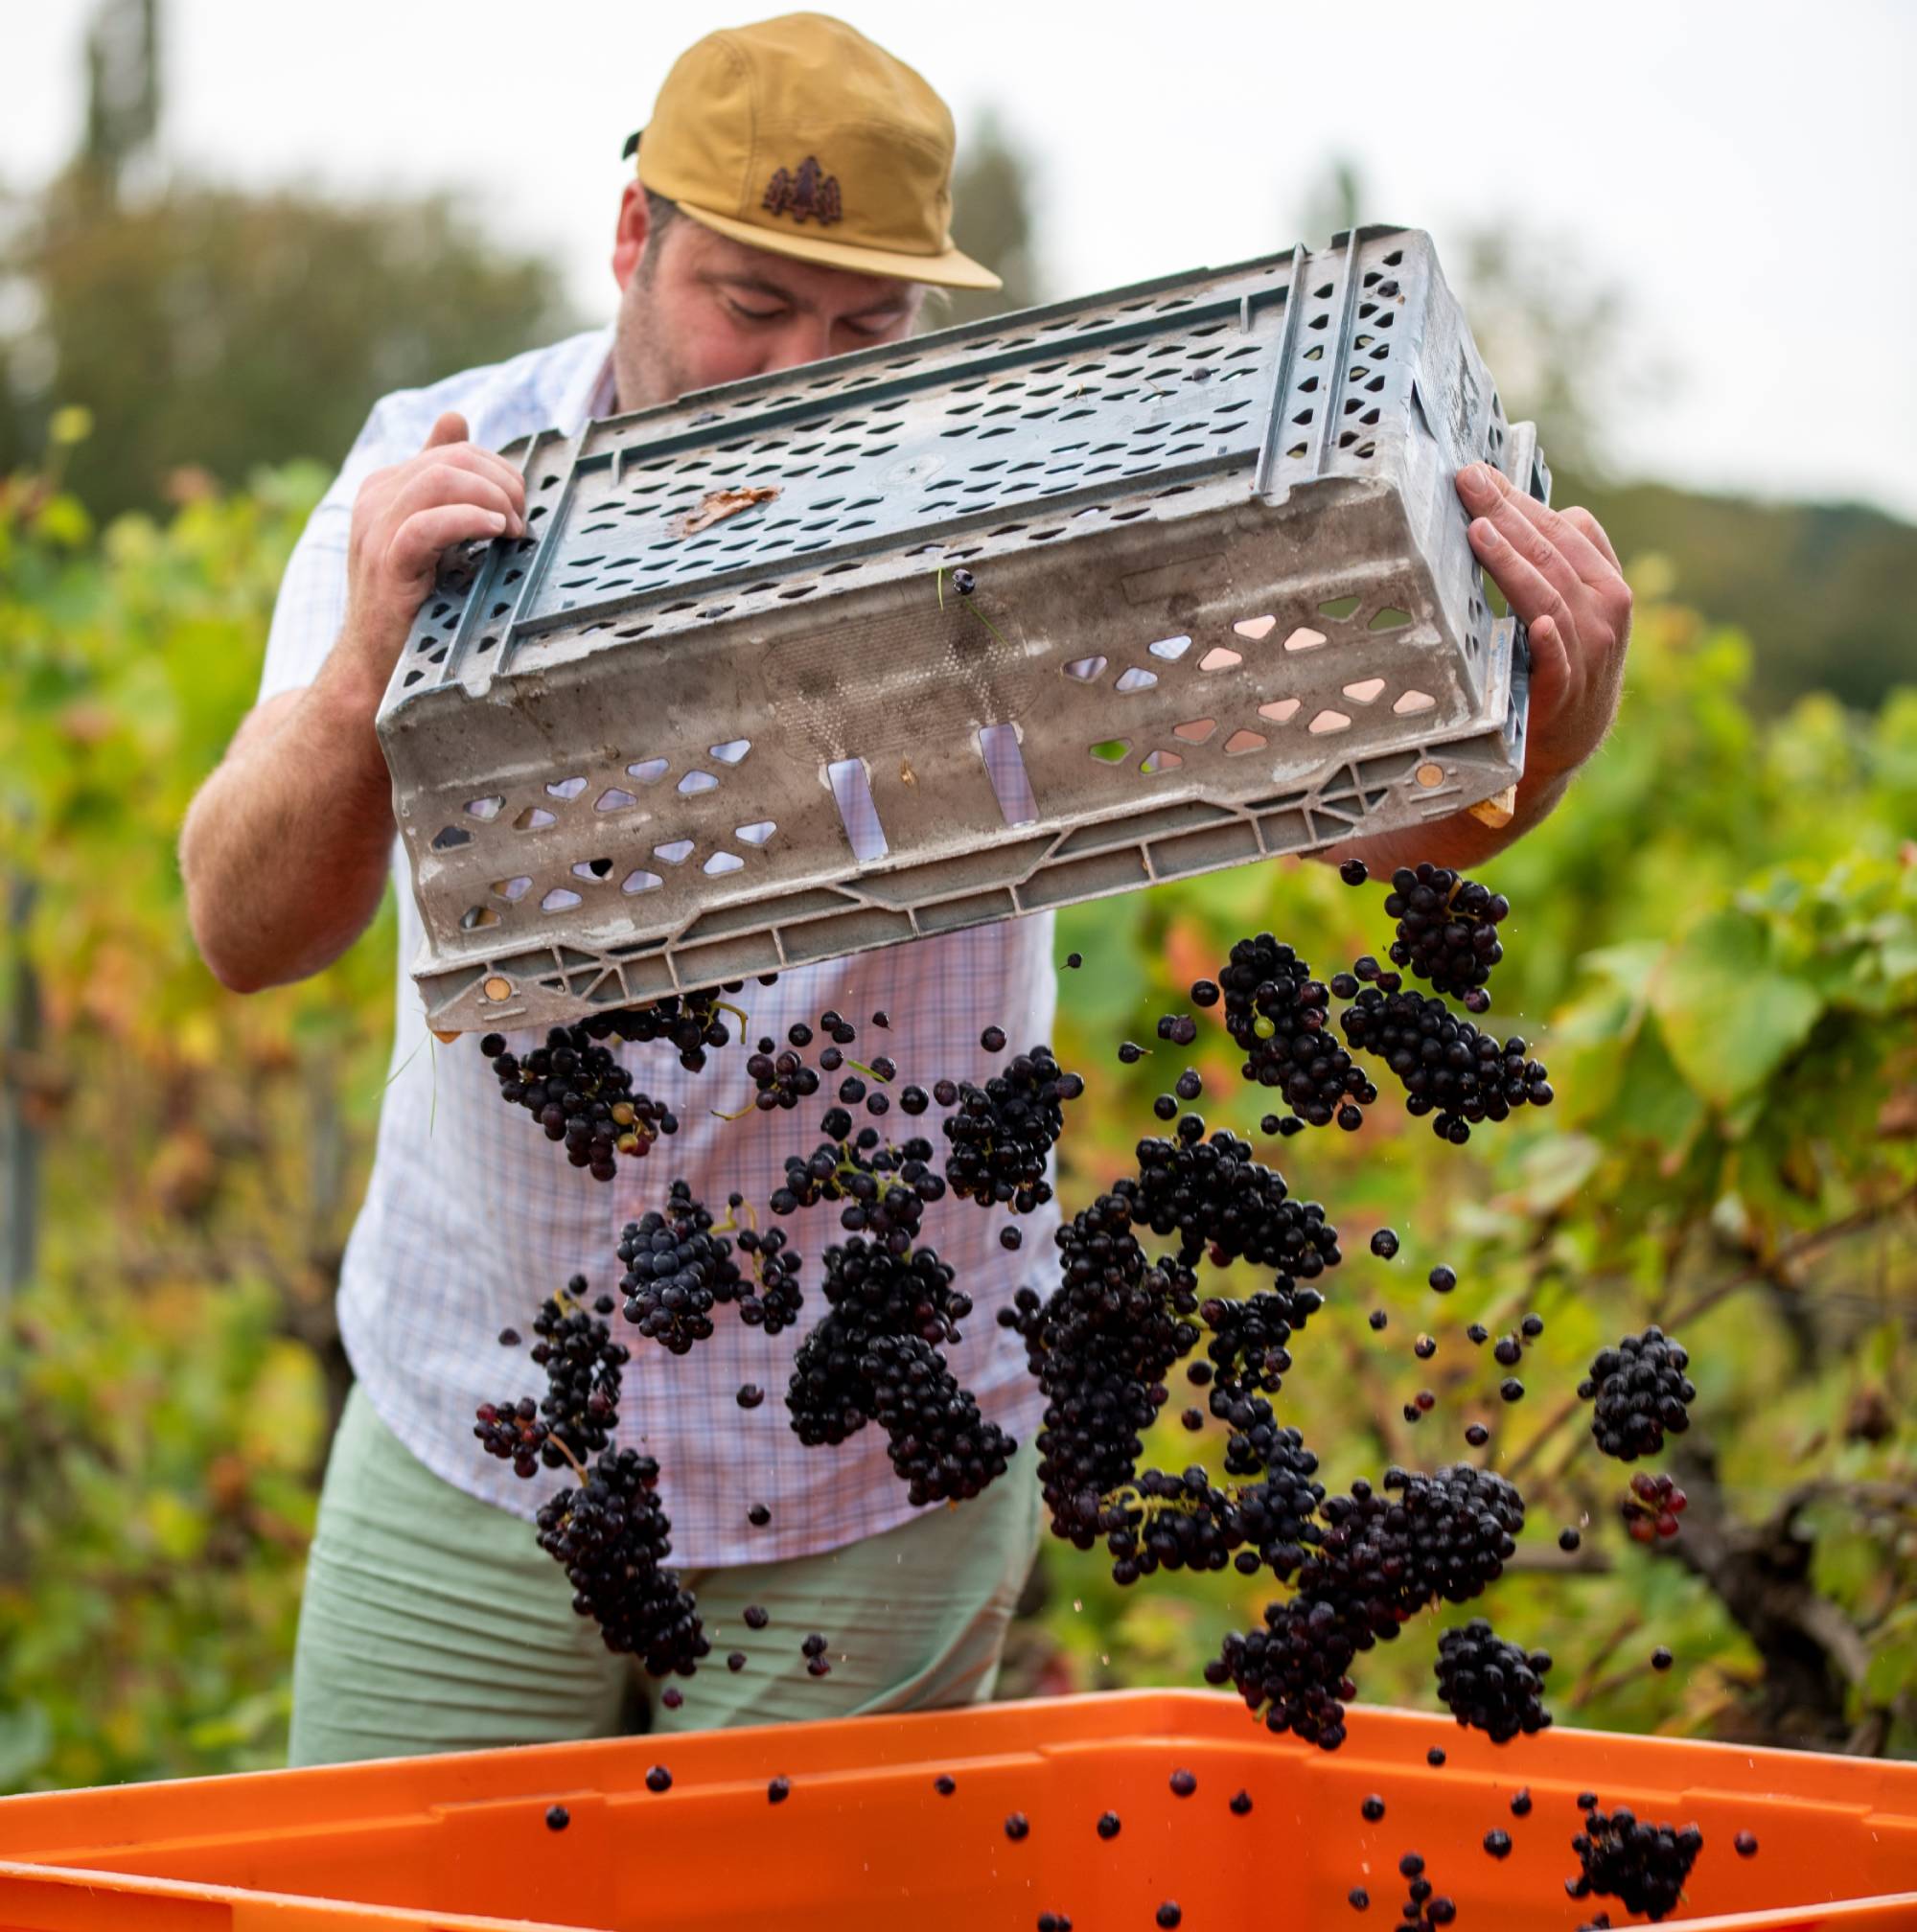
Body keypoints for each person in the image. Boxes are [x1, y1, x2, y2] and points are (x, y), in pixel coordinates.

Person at [178, 12, 1633, 1768]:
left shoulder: (1046, 508)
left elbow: (1358, 814)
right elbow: (248, 930)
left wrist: (1530, 757)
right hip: (488, 1410)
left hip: (882, 1439)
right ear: (634, 239)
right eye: (751, 304)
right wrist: (361, 684)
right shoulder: (439, 468)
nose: (799, 369)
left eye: (863, 323)